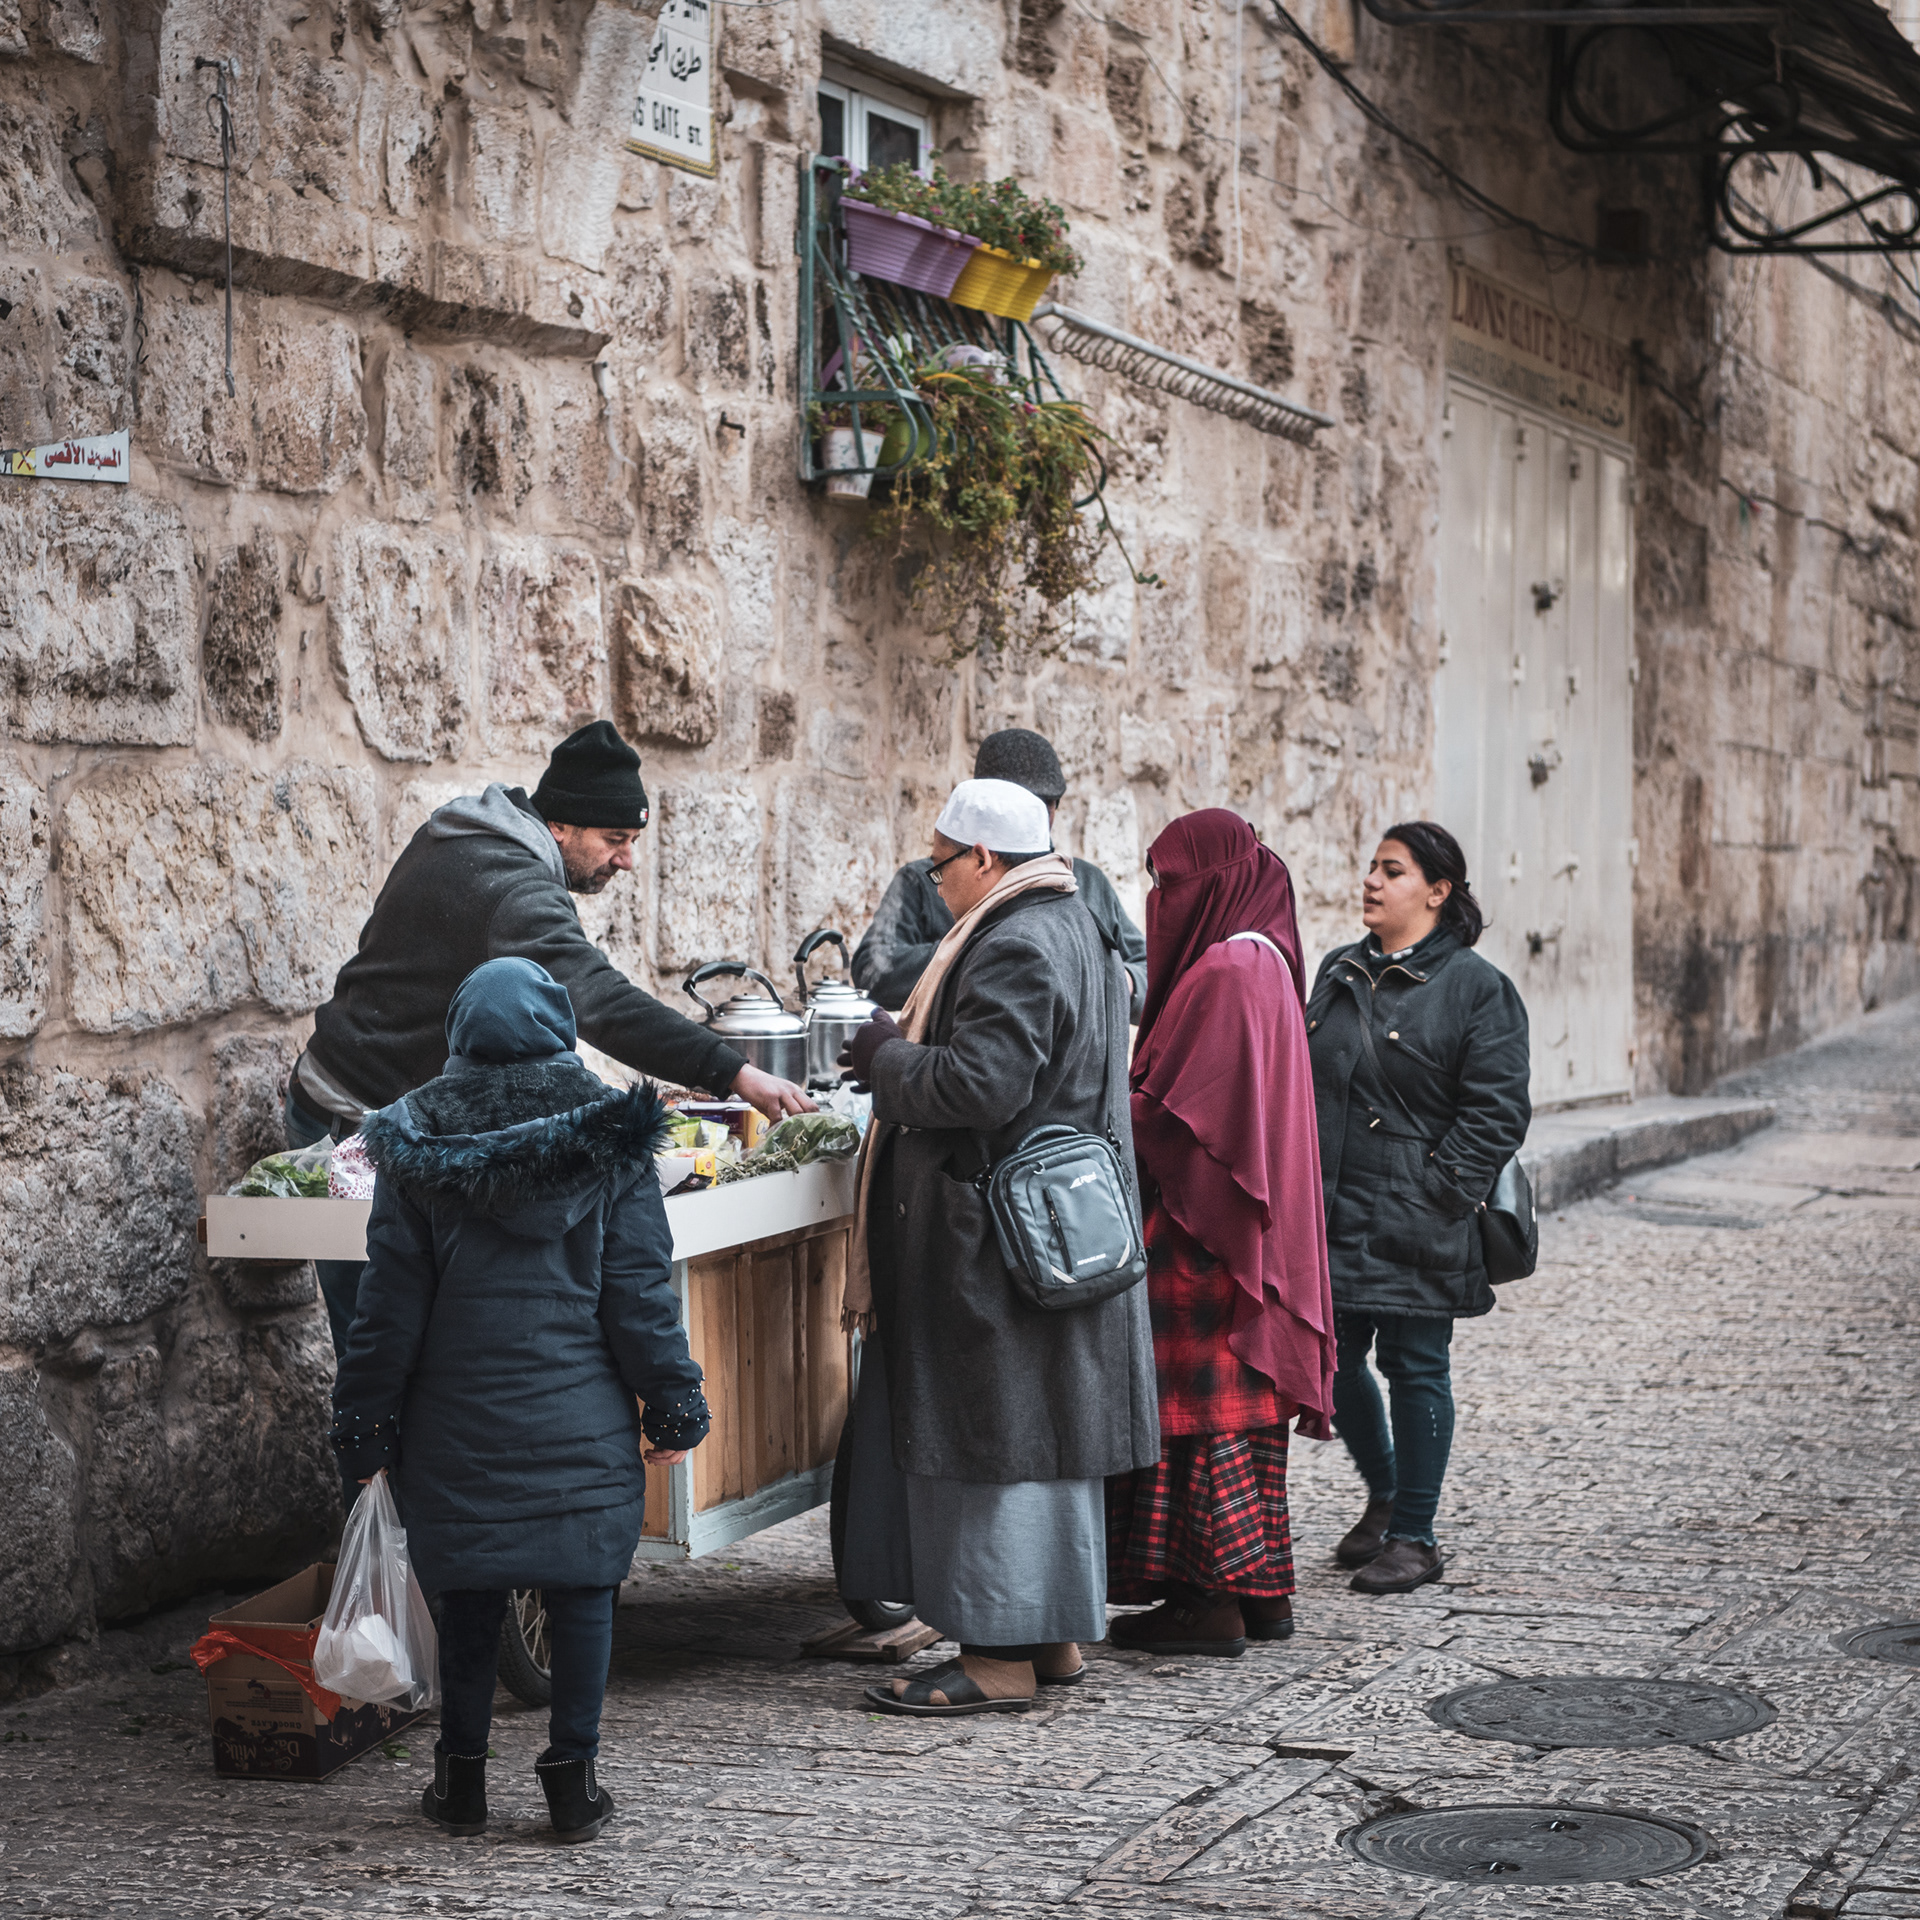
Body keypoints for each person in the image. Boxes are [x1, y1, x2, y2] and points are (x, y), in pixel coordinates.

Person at [330, 957, 710, 1842]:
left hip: (455, 1429)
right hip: (580, 1422)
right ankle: (571, 1783)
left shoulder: (415, 1143)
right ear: (558, 1030)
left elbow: (385, 1314)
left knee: (469, 1597)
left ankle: (460, 1781)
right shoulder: (614, 1137)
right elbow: (641, 1297)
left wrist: (363, 1431)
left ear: (460, 1034)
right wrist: (673, 1406)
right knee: (583, 1593)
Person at [290, 719, 812, 1359]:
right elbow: (602, 1002)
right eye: (614, 839)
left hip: (379, 1110)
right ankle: (377, 1463)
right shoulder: (516, 891)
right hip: (356, 1122)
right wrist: (735, 1073)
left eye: (632, 839)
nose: (625, 859)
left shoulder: (462, 835)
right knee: (383, 1356)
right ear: (560, 825)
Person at [835, 778, 1159, 1715]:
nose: (934, 885)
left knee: (996, 1444)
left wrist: (889, 1059)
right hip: (1044, 1230)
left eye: (940, 866)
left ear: (983, 859)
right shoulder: (1078, 923)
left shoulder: (1014, 939)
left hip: (996, 1244)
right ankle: (1049, 1640)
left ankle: (998, 1661)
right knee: (1043, 1441)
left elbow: (982, 1086)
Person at [1105, 811, 1338, 1656]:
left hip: (1206, 1240)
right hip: (1237, 1235)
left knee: (1202, 1419)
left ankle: (1210, 1604)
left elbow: (1177, 1118)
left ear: (1212, 884)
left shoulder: (1229, 968)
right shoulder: (1263, 953)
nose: (1157, 900)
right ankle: (1260, 1591)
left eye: (1170, 884)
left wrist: (1093, 1107)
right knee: (1237, 1421)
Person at [1306, 822, 1530, 1595]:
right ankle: (1386, 1491)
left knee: (1416, 1367)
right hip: (1333, 1211)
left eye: (1392, 870)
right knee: (1331, 1363)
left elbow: (1498, 1111)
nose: (1371, 880)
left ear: (1436, 890)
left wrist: (1438, 1190)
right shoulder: (1338, 970)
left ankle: (1415, 1535)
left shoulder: (1477, 988)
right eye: (1370, 866)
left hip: (1418, 1215)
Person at [852, 728, 1148, 1018]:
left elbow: (1152, 972)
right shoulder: (924, 880)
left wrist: (1110, 980)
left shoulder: (1088, 883)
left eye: (1046, 805)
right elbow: (871, 970)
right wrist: (978, 955)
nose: (1035, 817)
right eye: (1020, 805)